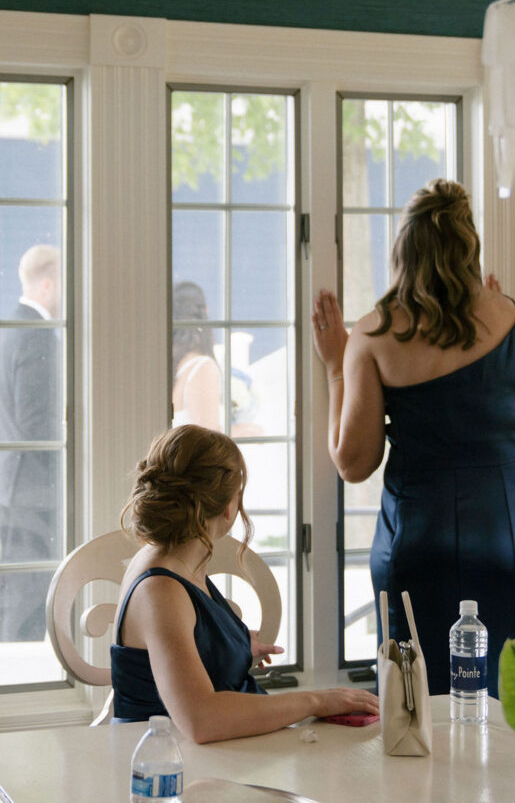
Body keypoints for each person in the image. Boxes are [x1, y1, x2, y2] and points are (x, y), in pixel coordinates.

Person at [311, 179, 515, 696]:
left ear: (404, 250)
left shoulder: (375, 335)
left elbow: (354, 463)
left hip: (420, 543)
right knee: (513, 708)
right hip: (508, 543)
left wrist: (336, 365)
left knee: (415, 713)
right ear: (470, 247)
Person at [112, 423, 377, 741]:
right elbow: (202, 720)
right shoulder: (160, 588)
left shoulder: (175, 557)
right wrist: (316, 700)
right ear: (227, 507)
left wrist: (230, 647)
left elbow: (181, 644)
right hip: (165, 767)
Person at [0, 244, 62, 641]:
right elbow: (34, 420)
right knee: (29, 595)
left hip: (11, 483)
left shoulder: (9, 328)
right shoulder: (37, 335)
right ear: (47, 284)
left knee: (15, 593)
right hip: (34, 489)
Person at [172, 281, 222, 430]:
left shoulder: (176, 368)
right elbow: (208, 439)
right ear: (205, 312)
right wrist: (243, 431)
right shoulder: (201, 368)